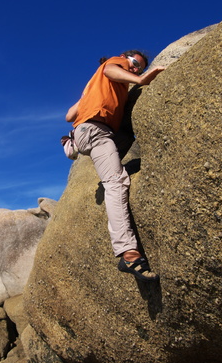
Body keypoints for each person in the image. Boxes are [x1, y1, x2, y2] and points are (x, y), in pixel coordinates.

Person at [65, 50, 165, 282]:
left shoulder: (98, 85)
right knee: (117, 182)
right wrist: (141, 80)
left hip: (94, 130)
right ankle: (128, 253)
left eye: (139, 68)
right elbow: (111, 69)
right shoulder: (113, 66)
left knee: (127, 135)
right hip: (95, 130)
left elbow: (70, 114)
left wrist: (86, 97)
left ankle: (73, 143)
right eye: (133, 64)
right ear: (124, 58)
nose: (134, 69)